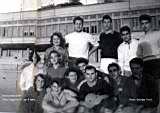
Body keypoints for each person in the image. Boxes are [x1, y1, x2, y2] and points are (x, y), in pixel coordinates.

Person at [137, 14, 160, 112]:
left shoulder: (158, 34)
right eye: (142, 24)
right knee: (150, 90)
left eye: (146, 23)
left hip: (157, 62)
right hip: (146, 64)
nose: (144, 25)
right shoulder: (141, 39)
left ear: (150, 23)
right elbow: (139, 55)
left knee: (159, 88)